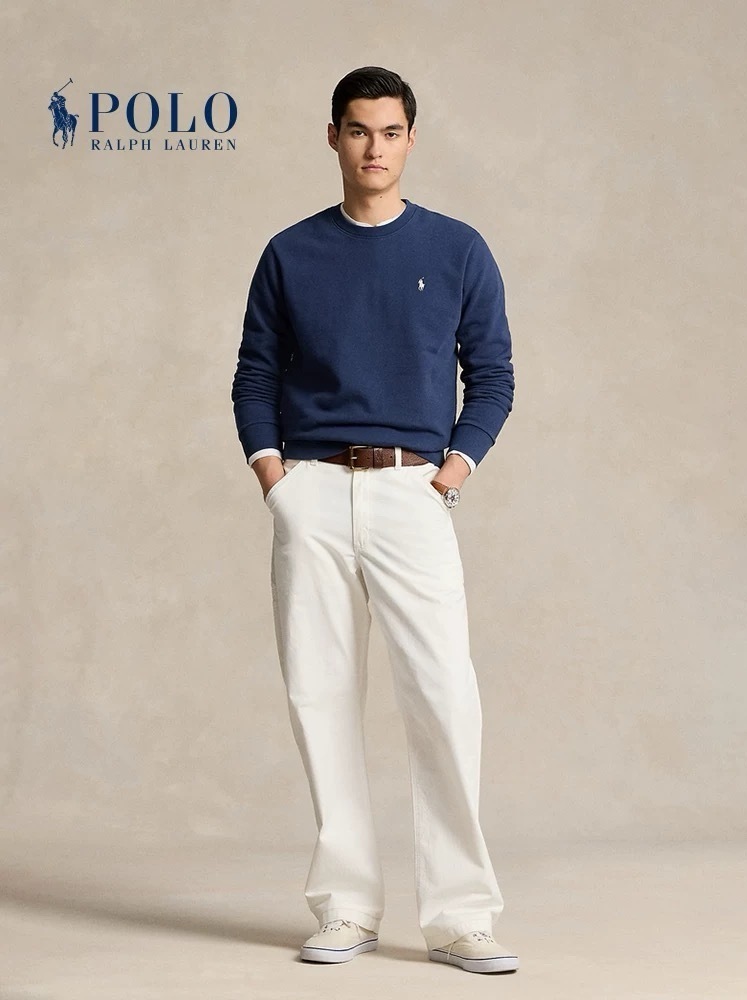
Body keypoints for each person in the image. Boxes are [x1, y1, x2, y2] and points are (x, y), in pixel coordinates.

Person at [231, 65, 518, 975]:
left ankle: (460, 916)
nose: (374, 148)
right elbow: (254, 373)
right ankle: (346, 907)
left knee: (443, 696)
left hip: (411, 492)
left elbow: (493, 375)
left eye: (391, 132)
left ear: (411, 139)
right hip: (311, 490)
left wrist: (451, 474)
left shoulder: (458, 248)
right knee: (319, 697)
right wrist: (275, 479)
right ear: (334, 137)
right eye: (358, 130)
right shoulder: (290, 252)